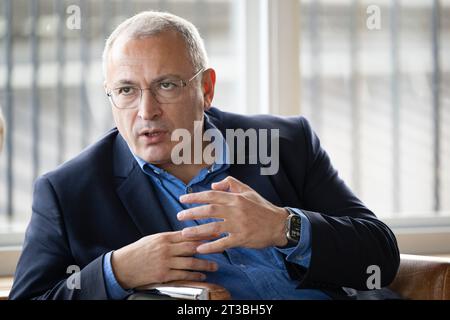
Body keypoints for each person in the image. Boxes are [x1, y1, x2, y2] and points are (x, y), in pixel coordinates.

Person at [10, 11, 399, 300]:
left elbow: (379, 258)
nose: (147, 111)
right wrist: (116, 272)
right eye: (126, 90)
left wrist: (285, 227)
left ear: (207, 89)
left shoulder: (286, 142)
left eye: (166, 85)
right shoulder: (68, 192)